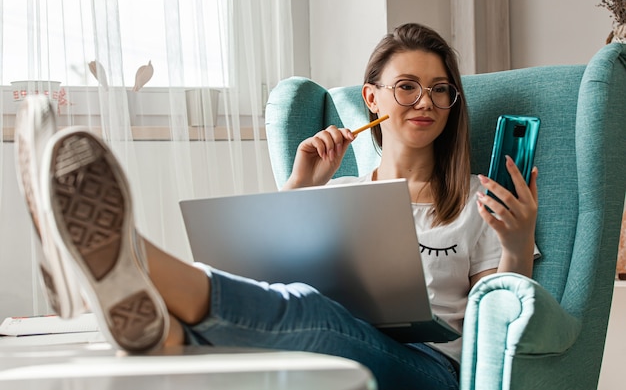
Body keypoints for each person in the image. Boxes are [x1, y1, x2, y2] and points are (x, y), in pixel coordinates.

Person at [16, 23, 538, 390]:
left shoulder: (480, 198)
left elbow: (498, 324)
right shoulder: (338, 193)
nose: (424, 102)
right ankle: (156, 321)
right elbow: (256, 283)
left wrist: (516, 247)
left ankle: (129, 255)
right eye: (406, 87)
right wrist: (299, 186)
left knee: (308, 310)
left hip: (428, 369)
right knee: (255, 317)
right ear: (372, 98)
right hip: (321, 340)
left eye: (439, 90)